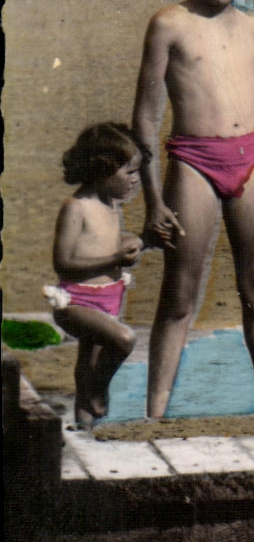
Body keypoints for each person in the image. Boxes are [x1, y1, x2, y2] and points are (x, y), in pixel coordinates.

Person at [133, 0, 254, 417]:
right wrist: (153, 199)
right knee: (179, 293)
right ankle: (155, 417)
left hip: (251, 159)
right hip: (193, 161)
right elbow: (144, 113)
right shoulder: (169, 22)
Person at [46, 123, 145, 427]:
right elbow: (63, 263)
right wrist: (114, 257)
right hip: (77, 302)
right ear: (102, 170)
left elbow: (104, 245)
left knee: (88, 366)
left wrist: (131, 244)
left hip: (109, 299)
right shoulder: (76, 207)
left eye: (136, 171)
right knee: (124, 339)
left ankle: (84, 428)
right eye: (128, 172)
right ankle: (98, 392)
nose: (135, 179)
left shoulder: (111, 205)